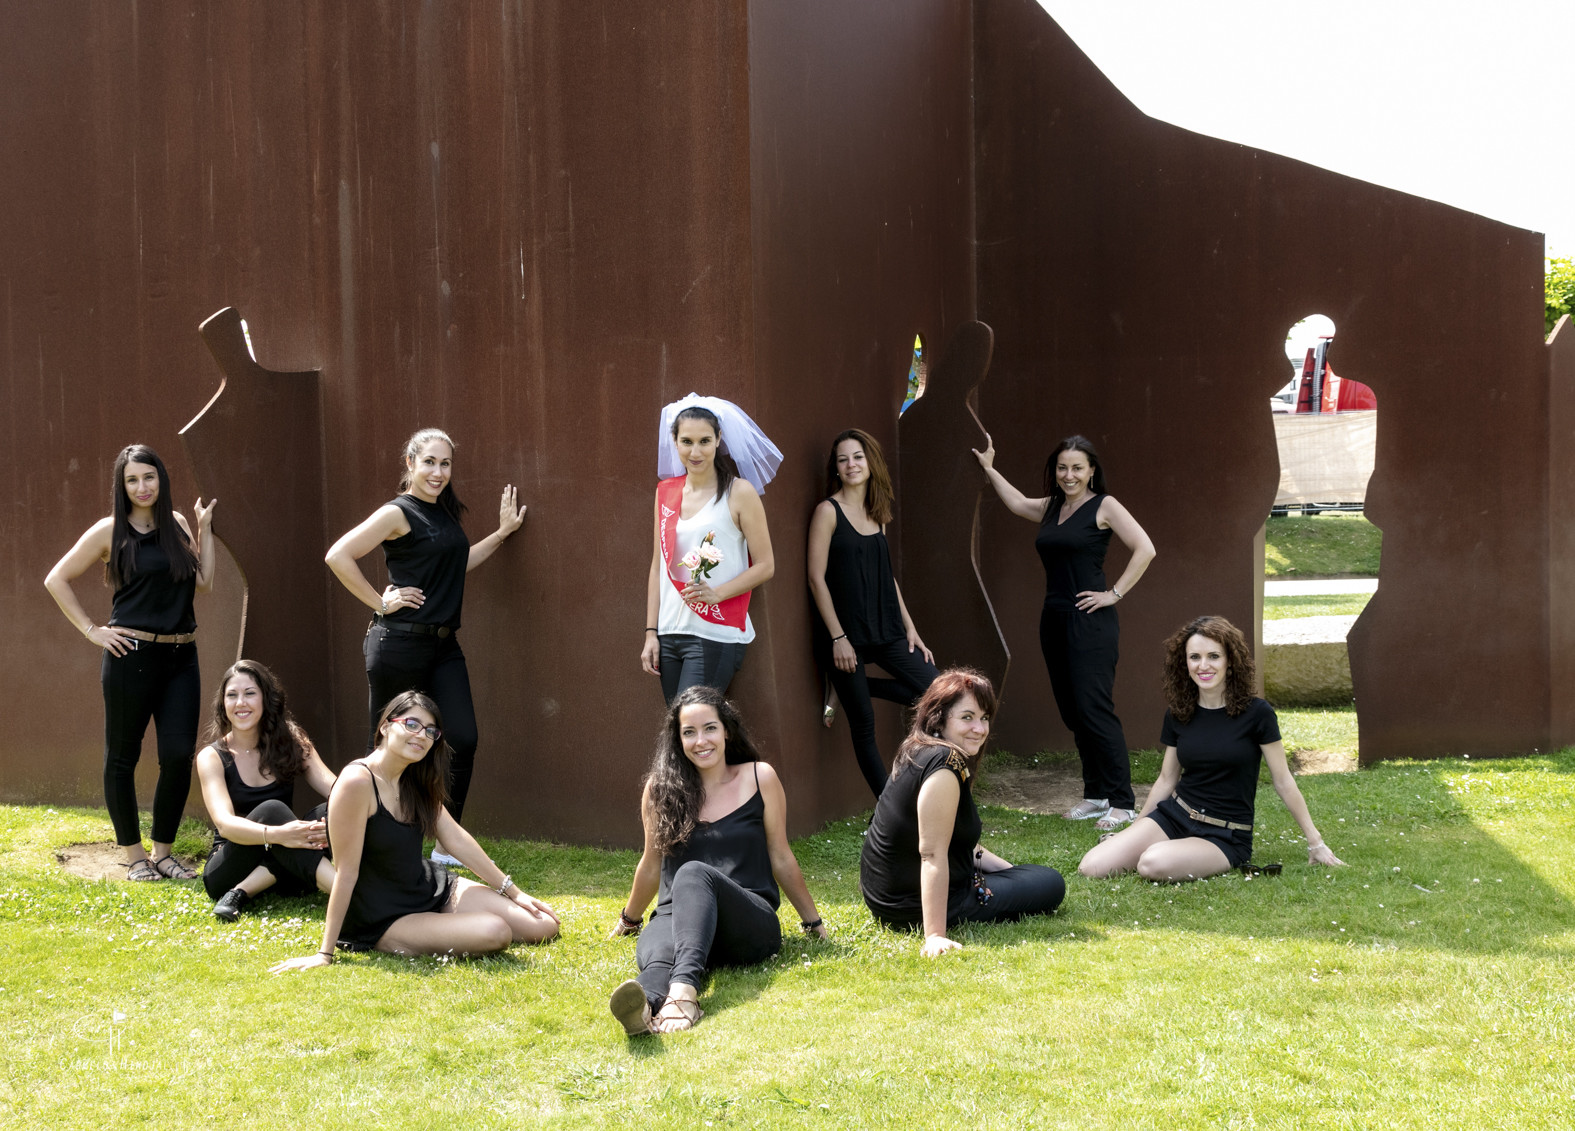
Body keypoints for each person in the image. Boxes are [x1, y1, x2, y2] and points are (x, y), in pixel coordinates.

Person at [324, 426, 524, 866]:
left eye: (445, 463)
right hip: (397, 645)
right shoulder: (399, 512)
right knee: (387, 750)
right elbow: (338, 555)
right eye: (429, 462)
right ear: (410, 464)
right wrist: (381, 601)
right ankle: (371, 844)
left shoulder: (443, 514)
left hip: (443, 647)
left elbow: (456, 566)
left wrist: (502, 533)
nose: (438, 471)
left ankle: (444, 848)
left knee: (463, 739)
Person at [270, 691, 558, 971]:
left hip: (428, 888)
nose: (421, 735)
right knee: (496, 931)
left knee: (544, 925)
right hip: (385, 915)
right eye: (411, 724)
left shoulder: (414, 777)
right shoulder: (357, 782)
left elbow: (455, 837)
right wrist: (325, 953)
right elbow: (346, 873)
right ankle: (393, 940)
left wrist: (514, 892)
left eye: (431, 731)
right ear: (384, 727)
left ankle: (439, 924)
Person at [607, 686, 828, 1034]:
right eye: (689, 732)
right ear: (678, 740)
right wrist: (630, 919)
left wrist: (813, 923)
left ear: (727, 729)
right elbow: (650, 864)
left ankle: (683, 995)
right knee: (660, 953)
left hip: (747, 919)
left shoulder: (759, 777)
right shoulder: (659, 790)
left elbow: (781, 855)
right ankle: (644, 1007)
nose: (701, 741)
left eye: (709, 728)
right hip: (677, 916)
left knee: (695, 873)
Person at [45, 444, 215, 881]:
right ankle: (135, 857)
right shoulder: (109, 531)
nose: (142, 487)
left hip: (182, 656)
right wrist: (92, 630)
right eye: (132, 480)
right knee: (122, 757)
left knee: (178, 756)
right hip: (130, 656)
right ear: (122, 487)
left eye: (149, 477)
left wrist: (204, 530)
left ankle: (163, 853)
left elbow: (203, 584)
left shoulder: (177, 524)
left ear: (162, 480)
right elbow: (56, 578)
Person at [972, 432, 1155, 831]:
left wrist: (1114, 593)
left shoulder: (1104, 506)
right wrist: (988, 468)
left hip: (1090, 622)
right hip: (1053, 619)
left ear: (1091, 471)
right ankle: (1096, 795)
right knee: (1074, 712)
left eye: (1077, 468)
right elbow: (1019, 503)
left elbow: (1145, 548)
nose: (1068, 475)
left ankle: (1123, 802)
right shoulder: (1054, 506)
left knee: (1094, 708)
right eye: (1062, 468)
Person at [1078, 616, 1346, 882]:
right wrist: (1134, 832)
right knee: (1092, 866)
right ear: (1185, 663)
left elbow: (1284, 781)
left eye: (1213, 656)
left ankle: (1177, 852)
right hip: (1176, 815)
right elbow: (1166, 779)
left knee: (1151, 863)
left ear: (1230, 661)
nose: (1203, 666)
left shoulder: (1258, 714)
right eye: (1195, 657)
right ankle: (1155, 846)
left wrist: (1316, 842)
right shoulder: (1179, 713)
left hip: (1224, 833)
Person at [860, 669, 1066, 957]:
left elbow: (954, 841)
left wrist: (1014, 875)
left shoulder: (920, 750)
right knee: (1050, 883)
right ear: (939, 717)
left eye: (984, 718)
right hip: (911, 906)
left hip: (890, 899)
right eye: (967, 717)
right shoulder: (945, 764)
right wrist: (934, 935)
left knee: (1029, 876)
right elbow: (931, 853)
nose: (979, 729)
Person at [807, 428, 938, 796]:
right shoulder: (827, 512)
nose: (851, 464)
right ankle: (888, 810)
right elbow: (816, 580)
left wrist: (911, 629)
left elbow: (887, 577)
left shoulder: (877, 512)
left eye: (858, 457)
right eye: (843, 459)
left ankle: (852, 687)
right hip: (845, 636)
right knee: (863, 724)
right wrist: (839, 639)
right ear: (836, 467)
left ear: (871, 462)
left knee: (935, 691)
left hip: (886, 629)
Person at [641, 394, 781, 704]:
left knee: (692, 724)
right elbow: (658, 566)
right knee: (680, 732)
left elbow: (765, 565)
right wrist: (652, 632)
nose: (695, 451)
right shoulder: (665, 492)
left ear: (719, 439)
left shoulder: (738, 492)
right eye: (687, 441)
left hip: (714, 632)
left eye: (704, 440)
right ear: (675, 442)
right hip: (669, 631)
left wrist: (718, 593)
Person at [195, 660, 338, 920]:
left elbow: (335, 789)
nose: (240, 703)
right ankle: (350, 897)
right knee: (272, 809)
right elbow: (225, 825)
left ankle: (242, 891)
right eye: (232, 695)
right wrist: (278, 834)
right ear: (222, 704)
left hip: (286, 853)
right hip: (229, 864)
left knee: (335, 809)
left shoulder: (292, 741)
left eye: (250, 693)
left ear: (266, 699)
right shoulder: (212, 756)